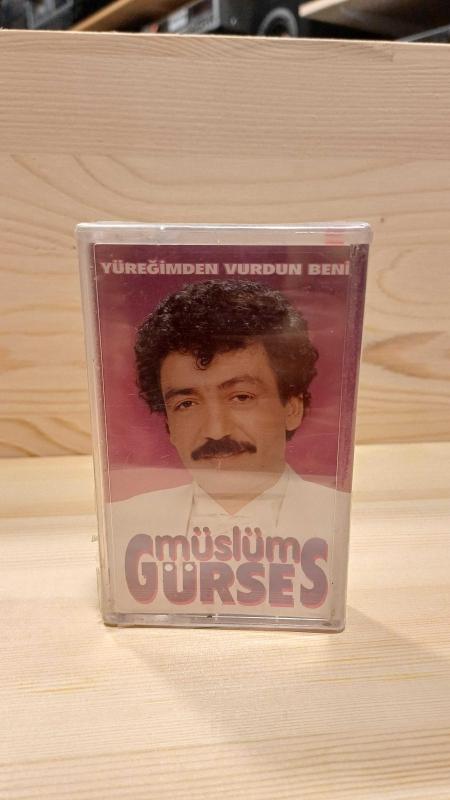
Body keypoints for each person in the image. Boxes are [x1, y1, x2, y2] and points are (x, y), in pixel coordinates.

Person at [108, 280, 349, 614]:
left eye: (241, 397)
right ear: (169, 426)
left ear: (292, 408)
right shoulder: (122, 524)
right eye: (186, 404)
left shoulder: (337, 518)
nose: (216, 430)